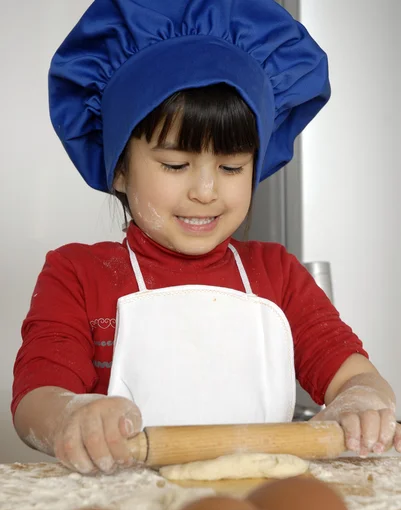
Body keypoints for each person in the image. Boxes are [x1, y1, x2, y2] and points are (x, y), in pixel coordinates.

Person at [12, 0, 400, 475]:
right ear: (118, 168)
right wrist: (72, 416)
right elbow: (37, 401)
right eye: (175, 165)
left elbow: (356, 376)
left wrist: (363, 401)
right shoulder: (78, 275)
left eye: (232, 166)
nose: (206, 191)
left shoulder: (276, 275)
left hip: (259, 509)